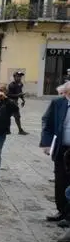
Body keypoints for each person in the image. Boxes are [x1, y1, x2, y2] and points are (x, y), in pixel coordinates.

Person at [40, 82, 70, 227]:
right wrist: (46, 143)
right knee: (60, 181)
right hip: (61, 148)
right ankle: (61, 211)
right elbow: (47, 122)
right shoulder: (58, 103)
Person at [7, 71, 29, 135]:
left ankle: (18, 130)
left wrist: (23, 100)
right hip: (10, 102)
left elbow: (20, 92)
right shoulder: (11, 85)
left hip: (15, 102)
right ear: (14, 77)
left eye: (20, 76)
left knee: (17, 117)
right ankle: (17, 130)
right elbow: (8, 95)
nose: (19, 78)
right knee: (10, 116)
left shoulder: (20, 84)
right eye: (18, 76)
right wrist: (18, 95)